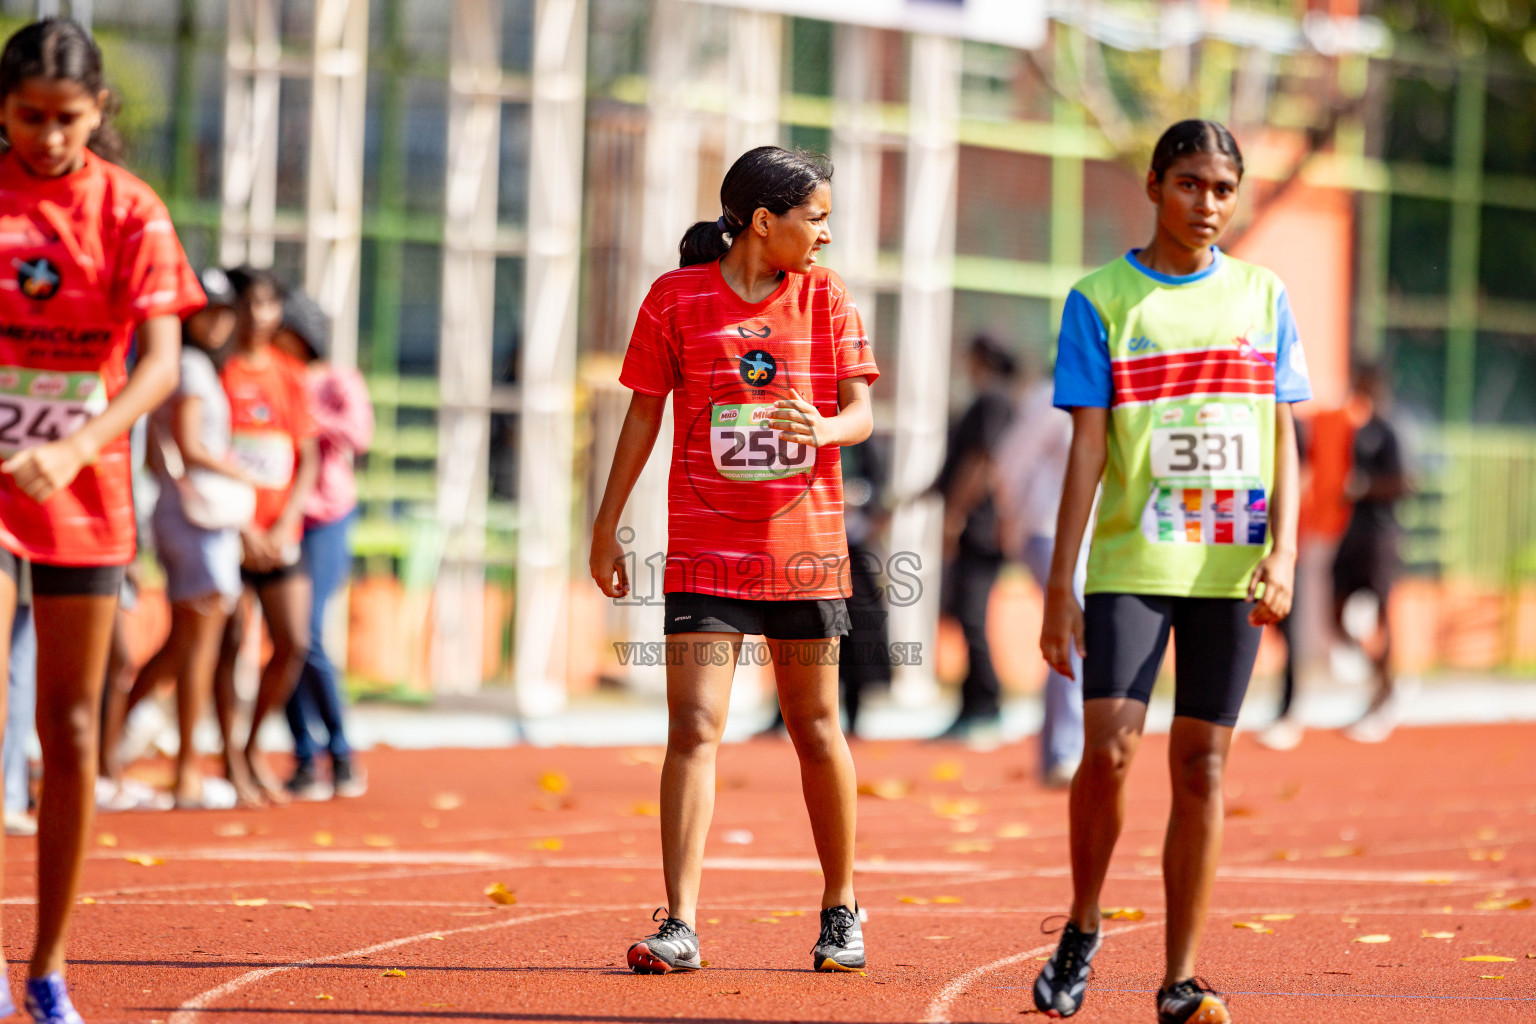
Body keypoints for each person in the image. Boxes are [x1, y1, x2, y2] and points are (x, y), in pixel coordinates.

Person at [1032, 120, 1311, 1024]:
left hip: (1230, 568)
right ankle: (1083, 921)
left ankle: (1180, 978)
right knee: (1108, 752)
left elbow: (1282, 433)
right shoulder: (1101, 299)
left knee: (1202, 768)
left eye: (1224, 189)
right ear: (1154, 185)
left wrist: (1286, 553)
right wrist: (1058, 584)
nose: (1209, 205)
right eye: (1191, 184)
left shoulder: (1263, 296)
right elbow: (1084, 449)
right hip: (1131, 561)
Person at [589, 146, 876, 975]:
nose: (826, 234)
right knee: (695, 728)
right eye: (815, 218)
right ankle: (678, 922)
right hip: (706, 556)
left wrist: (818, 429)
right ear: (763, 222)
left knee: (816, 728)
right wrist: (606, 525)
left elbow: (857, 413)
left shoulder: (826, 299)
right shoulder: (675, 299)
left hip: (804, 555)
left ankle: (841, 907)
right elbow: (643, 418)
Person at [0, 18, 205, 1021]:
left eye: (65, 119)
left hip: (81, 488)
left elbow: (162, 364)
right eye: (28, 117)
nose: (46, 136)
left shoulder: (130, 210)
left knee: (72, 727)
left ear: (98, 112)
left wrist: (78, 446)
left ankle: (45, 966)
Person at [99, 267, 247, 809]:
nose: (217, 321)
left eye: (225, 311)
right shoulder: (186, 365)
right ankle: (178, 769)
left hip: (185, 512)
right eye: (207, 310)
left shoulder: (190, 365)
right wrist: (243, 474)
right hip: (196, 517)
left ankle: (125, 752)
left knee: (188, 641)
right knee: (196, 643)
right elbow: (186, 444)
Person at [212, 268, 319, 806]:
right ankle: (228, 759)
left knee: (294, 640)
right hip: (228, 533)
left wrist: (282, 523)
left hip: (279, 536)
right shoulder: (218, 371)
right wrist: (244, 525)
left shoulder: (290, 374)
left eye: (268, 304)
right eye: (249, 303)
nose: (259, 315)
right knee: (226, 643)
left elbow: (307, 457)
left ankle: (253, 746)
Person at [273, 289, 373, 800]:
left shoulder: (337, 379)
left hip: (325, 516)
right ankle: (304, 757)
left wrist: (310, 418)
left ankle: (340, 751)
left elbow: (359, 434)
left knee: (307, 631)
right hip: (275, 518)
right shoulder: (271, 376)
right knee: (284, 638)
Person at [994, 361, 1085, 786]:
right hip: (1046, 531)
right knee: (1074, 628)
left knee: (1075, 634)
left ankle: (1059, 751)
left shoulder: (1114, 396)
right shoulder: (1052, 397)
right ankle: (1064, 752)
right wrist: (1013, 525)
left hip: (1092, 537)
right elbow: (1010, 464)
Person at [934, 335, 1017, 743]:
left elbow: (982, 461)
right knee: (965, 616)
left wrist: (955, 515)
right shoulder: (990, 401)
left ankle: (987, 706)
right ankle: (971, 707)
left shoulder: (993, 402)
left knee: (972, 617)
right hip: (976, 526)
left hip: (981, 529)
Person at [1331, 363, 1408, 744]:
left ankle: (1387, 691)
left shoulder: (1391, 431)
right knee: (1335, 605)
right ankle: (1380, 675)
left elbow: (1405, 481)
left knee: (1380, 613)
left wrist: (1366, 488)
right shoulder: (1358, 430)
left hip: (1381, 535)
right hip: (1354, 531)